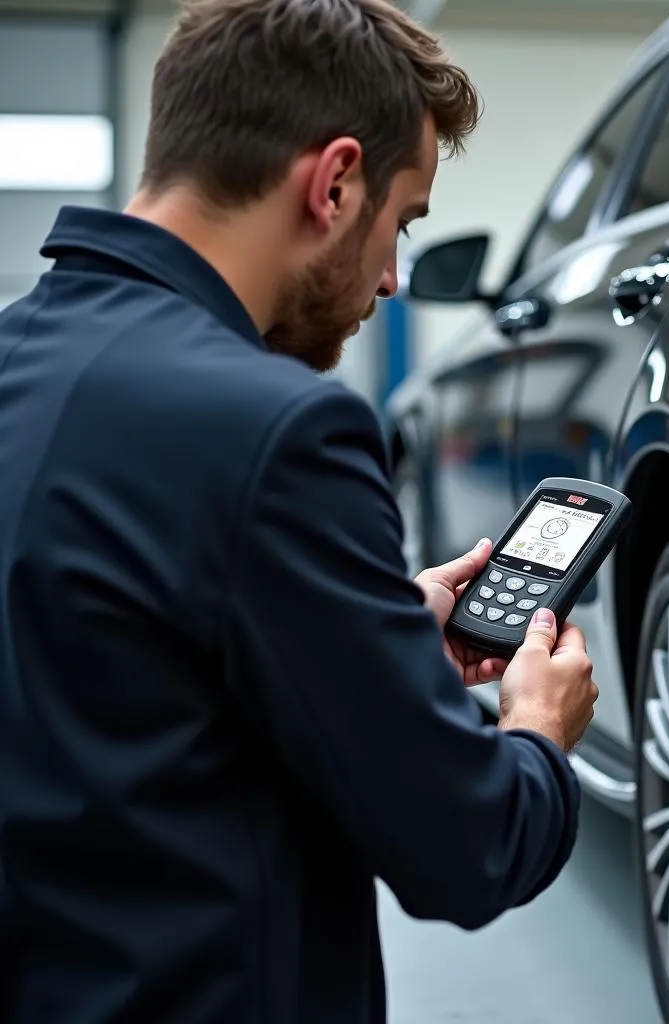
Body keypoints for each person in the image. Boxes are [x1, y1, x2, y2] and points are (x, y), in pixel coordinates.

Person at [0, 1, 600, 1021]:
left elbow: (118, 672)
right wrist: (537, 734)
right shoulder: (283, 431)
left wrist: (367, 635)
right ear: (333, 183)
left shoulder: (20, 360)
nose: (394, 277)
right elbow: (467, 847)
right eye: (401, 223)